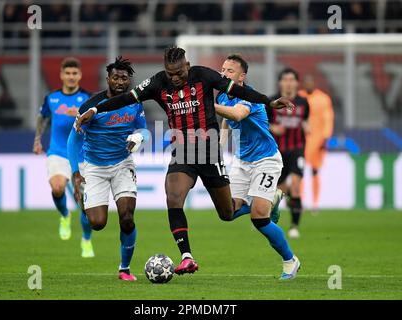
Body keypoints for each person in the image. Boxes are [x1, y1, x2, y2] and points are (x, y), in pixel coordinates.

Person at [75, 46, 294, 275]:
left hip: (208, 149)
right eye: (170, 74)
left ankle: (269, 200)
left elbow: (241, 93)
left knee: (227, 213)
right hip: (182, 150)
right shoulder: (158, 83)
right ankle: (187, 256)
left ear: (187, 66)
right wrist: (94, 109)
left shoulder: (204, 75)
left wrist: (269, 102)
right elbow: (124, 99)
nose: (175, 77)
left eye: (179, 72)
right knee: (173, 196)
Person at [215, 54, 300, 279]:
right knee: (227, 213)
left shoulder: (249, 97)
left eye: (229, 71)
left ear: (242, 77)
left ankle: (290, 261)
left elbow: (236, 114)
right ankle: (269, 199)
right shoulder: (223, 95)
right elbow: (226, 119)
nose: (223, 74)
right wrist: (221, 143)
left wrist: (207, 105)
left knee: (259, 218)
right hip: (242, 162)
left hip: (266, 160)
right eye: (222, 70)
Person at [68, 57, 148, 281]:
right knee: (98, 223)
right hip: (94, 168)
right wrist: (76, 172)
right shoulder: (90, 107)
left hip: (123, 164)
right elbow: (72, 141)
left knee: (127, 217)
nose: (120, 81)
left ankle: (124, 269)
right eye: (116, 77)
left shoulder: (135, 103)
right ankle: (85, 199)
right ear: (108, 79)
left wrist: (139, 137)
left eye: (124, 78)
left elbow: (145, 131)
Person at [33, 57, 94, 257]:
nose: (70, 76)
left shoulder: (87, 99)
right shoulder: (51, 98)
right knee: (58, 187)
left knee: (85, 205)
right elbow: (42, 117)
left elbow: (97, 122)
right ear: (61, 75)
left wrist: (79, 114)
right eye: (67, 73)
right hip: (58, 152)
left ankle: (86, 239)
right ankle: (65, 215)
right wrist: (37, 139)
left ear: (80, 76)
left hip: (82, 155)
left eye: (74, 73)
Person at [267, 68, 310, 239]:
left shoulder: (303, 102)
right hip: (277, 151)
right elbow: (263, 123)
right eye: (285, 79)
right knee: (280, 190)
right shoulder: (271, 101)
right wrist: (273, 128)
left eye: (292, 79)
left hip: (297, 148)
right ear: (280, 82)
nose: (288, 82)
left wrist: (307, 126)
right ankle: (267, 217)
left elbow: (305, 120)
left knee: (296, 186)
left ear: (296, 83)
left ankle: (294, 226)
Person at [299, 75, 334, 214]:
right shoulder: (299, 97)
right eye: (306, 82)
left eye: (310, 82)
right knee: (299, 171)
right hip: (301, 140)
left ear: (314, 83)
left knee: (314, 171)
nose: (308, 84)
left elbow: (328, 119)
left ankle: (315, 203)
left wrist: (325, 138)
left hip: (317, 140)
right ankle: (299, 201)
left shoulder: (323, 99)